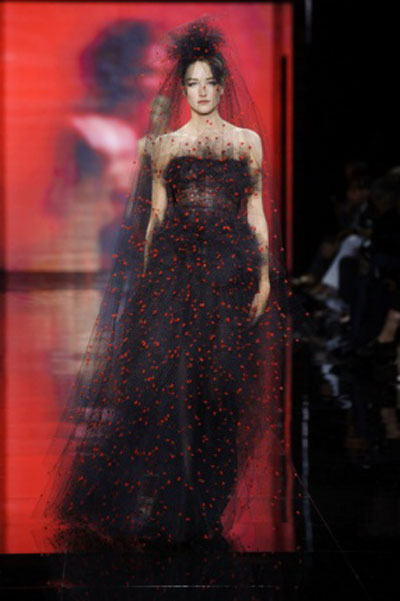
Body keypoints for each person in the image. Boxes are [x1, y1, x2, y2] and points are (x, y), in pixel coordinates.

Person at [34, 18, 296, 558]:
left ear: (222, 86)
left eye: (209, 82)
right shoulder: (165, 146)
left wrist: (266, 275)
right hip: (175, 277)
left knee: (221, 394)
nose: (201, 92)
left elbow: (255, 210)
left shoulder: (246, 142)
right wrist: (149, 286)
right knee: (170, 392)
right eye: (192, 83)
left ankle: (206, 504)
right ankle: (169, 501)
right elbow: (156, 218)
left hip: (230, 277)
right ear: (183, 87)